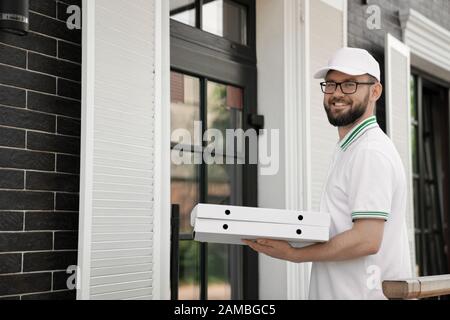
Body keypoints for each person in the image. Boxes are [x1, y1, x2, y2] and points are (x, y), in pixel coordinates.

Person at [243, 47, 412, 300]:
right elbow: (343, 228)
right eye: (331, 84)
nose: (336, 93)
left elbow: (367, 239)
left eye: (350, 85)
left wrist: (294, 254)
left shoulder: (369, 151)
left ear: (375, 91)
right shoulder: (351, 148)